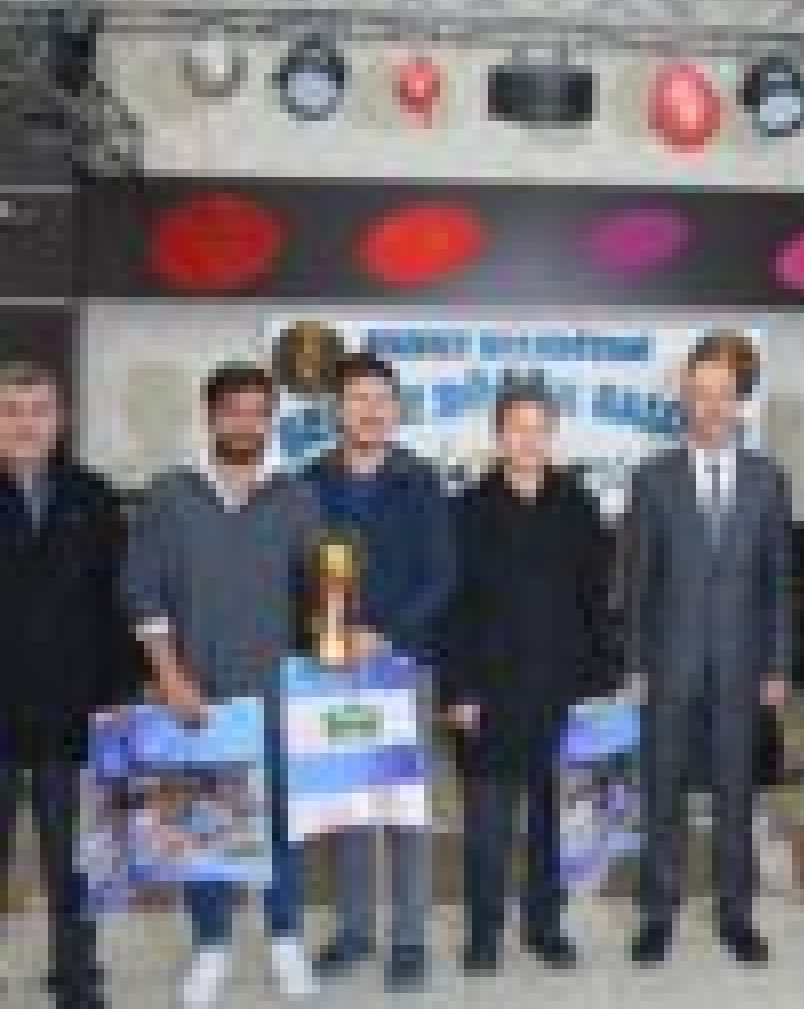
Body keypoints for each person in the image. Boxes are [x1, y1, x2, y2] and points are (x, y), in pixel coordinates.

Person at [125, 364, 323, 1008]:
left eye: (258, 411)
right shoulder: (169, 493)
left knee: (280, 823)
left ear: (271, 420)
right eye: (233, 409)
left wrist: (345, 631)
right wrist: (167, 674)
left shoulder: (296, 495)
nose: (246, 422)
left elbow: (322, 590)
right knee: (201, 824)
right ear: (210, 416)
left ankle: (285, 940)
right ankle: (211, 947)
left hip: (275, 693)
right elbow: (142, 590)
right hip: (196, 695)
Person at [441, 372, 620, 973]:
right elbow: (453, 608)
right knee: (488, 825)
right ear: (498, 436)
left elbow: (596, 600)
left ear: (552, 436)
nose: (528, 440)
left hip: (560, 690)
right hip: (487, 693)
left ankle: (546, 927)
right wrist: (459, 689)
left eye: (539, 429)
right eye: (517, 429)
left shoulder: (579, 506)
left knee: (552, 820)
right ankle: (484, 933)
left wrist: (604, 680)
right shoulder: (465, 510)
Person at [627, 332, 792, 966]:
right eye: (701, 394)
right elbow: (637, 584)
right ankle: (658, 914)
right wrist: (636, 663)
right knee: (661, 790)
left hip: (742, 667)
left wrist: (778, 664)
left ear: (739, 400)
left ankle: (736, 915)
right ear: (685, 400)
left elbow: (780, 582)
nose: (713, 406)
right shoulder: (652, 480)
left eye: (723, 394)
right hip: (669, 664)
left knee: (735, 792)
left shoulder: (768, 480)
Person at [304, 352, 455, 987]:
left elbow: (442, 575)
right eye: (358, 398)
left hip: (401, 665)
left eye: (382, 399)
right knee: (348, 804)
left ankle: (410, 940)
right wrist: (323, 629)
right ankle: (355, 931)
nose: (371, 410)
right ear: (336, 409)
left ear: (397, 410)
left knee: (404, 809)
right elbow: (299, 570)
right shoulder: (310, 481)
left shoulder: (420, 481)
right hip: (333, 666)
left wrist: (384, 632)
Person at [0, 362, 140, 1009]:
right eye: (11, 409)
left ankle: (76, 975)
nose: (25, 423)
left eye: (38, 410)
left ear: (60, 419)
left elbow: (120, 606)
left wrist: (118, 695)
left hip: (75, 710)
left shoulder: (95, 496)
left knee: (75, 857)